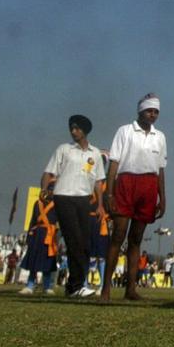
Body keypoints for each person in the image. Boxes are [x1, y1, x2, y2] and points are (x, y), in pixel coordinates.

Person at [99, 93, 168, 302]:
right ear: (141, 111)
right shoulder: (125, 131)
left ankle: (131, 289)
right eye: (149, 111)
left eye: (156, 111)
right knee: (118, 236)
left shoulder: (160, 137)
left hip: (148, 186)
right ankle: (106, 290)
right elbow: (114, 164)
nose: (153, 115)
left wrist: (162, 198)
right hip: (126, 182)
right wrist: (109, 193)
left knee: (136, 239)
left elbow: (161, 169)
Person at [40, 115, 106, 298]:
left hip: (84, 199)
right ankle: (76, 286)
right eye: (71, 128)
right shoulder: (64, 149)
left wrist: (100, 205)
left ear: (85, 131)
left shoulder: (95, 154)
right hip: (64, 197)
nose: (73, 131)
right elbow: (48, 172)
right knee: (73, 240)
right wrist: (44, 190)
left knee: (85, 243)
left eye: (77, 128)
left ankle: (76, 285)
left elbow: (98, 182)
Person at [18, 193, 59, 295]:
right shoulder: (38, 203)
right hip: (38, 233)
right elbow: (33, 220)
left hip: (50, 234)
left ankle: (47, 286)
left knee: (48, 262)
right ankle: (30, 285)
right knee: (34, 261)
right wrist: (29, 236)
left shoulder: (57, 204)